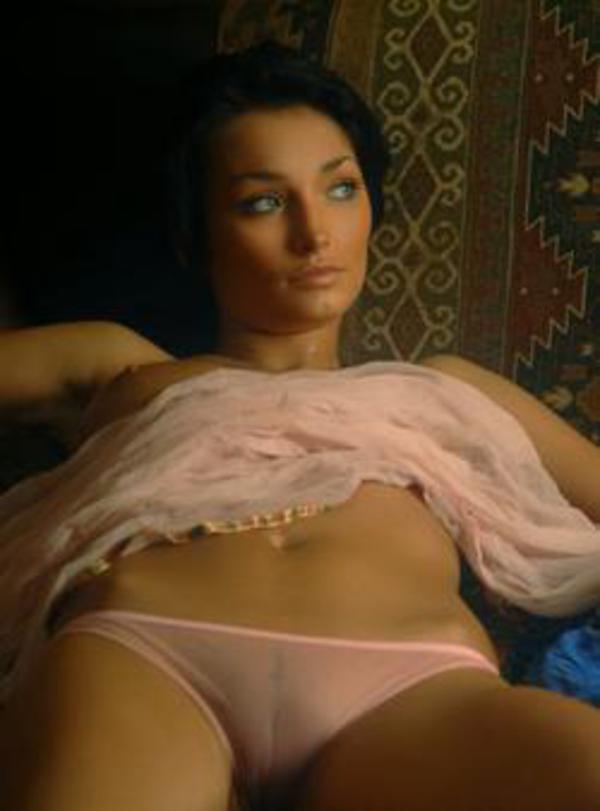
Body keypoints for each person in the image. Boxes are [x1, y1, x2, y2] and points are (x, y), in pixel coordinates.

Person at [1, 40, 600, 811]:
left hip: (410, 682)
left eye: (341, 189)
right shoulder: (121, 366)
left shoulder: (444, 386)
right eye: (263, 201)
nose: (315, 234)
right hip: (147, 651)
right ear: (196, 234)